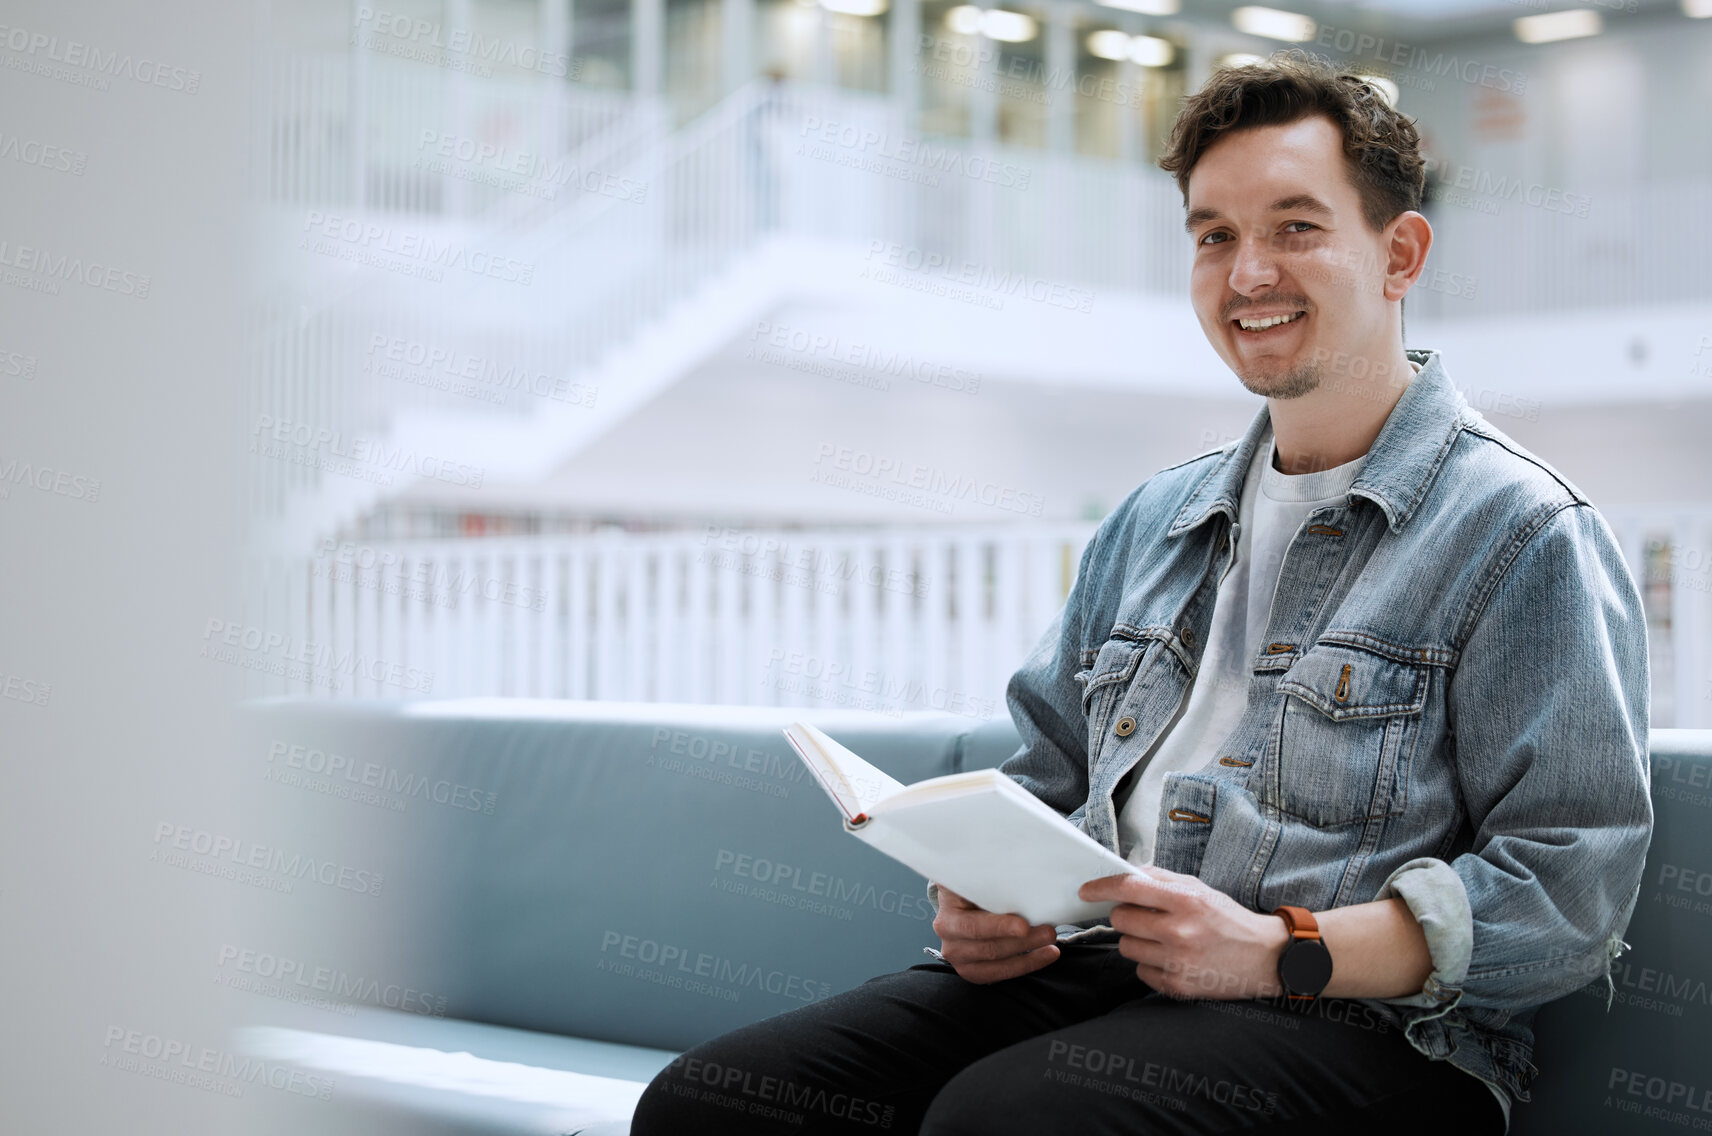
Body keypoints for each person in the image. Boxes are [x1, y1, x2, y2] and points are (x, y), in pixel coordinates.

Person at [630, 49, 1652, 1136]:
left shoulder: (1520, 530)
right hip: (1108, 976)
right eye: (1213, 235)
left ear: (1398, 253)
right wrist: (981, 903)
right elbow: (1042, 775)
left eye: (1294, 227)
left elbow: (1565, 892)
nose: (1246, 271)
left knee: (1004, 1122)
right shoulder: (1150, 519)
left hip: (1368, 1028)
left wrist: (1276, 948)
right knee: (709, 1105)